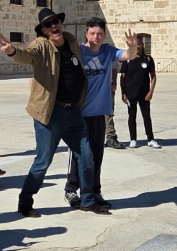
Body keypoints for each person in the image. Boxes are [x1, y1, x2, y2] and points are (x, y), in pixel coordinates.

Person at [0, 8, 108, 217]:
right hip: (50, 114)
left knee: (86, 156)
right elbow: (26, 56)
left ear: (60, 23)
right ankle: (25, 202)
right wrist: (12, 51)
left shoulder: (71, 40)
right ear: (44, 31)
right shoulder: (41, 45)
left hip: (74, 112)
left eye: (55, 21)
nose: (53, 26)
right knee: (43, 162)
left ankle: (88, 200)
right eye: (47, 25)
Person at [63, 17, 138, 208]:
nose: (96, 37)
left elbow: (128, 56)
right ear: (86, 34)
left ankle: (95, 191)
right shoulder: (78, 51)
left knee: (97, 155)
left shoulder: (108, 51)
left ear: (104, 35)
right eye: (92, 33)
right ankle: (71, 190)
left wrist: (132, 46)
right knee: (79, 154)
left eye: (99, 33)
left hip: (99, 113)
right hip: (79, 113)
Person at [120, 39, 159, 149]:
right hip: (131, 94)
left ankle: (150, 139)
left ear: (142, 45)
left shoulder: (148, 59)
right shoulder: (128, 60)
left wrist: (151, 92)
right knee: (132, 117)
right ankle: (133, 139)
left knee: (147, 117)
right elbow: (122, 78)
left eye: (139, 44)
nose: (137, 47)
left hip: (144, 94)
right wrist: (123, 94)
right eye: (135, 45)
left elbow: (153, 76)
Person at [103, 60, 125, 149]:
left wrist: (114, 81)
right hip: (92, 87)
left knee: (109, 112)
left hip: (107, 86)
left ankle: (111, 137)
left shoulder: (108, 48)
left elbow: (114, 68)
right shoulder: (85, 48)